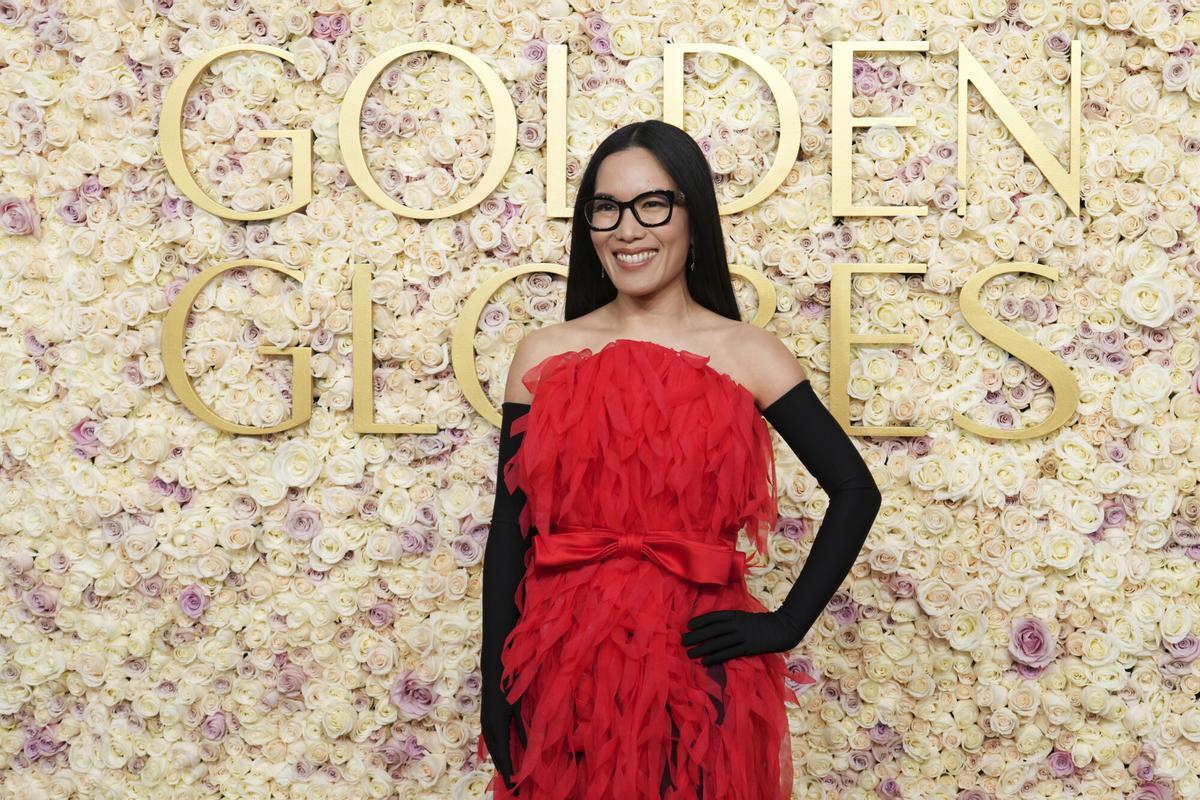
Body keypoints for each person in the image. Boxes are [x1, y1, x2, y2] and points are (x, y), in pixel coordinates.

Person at [478, 120, 882, 799]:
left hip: (701, 671)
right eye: (606, 208)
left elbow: (854, 489)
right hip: (563, 670)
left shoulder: (749, 353)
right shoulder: (542, 352)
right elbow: (508, 528)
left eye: (652, 204)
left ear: (694, 215)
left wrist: (785, 624)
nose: (627, 229)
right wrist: (497, 680)